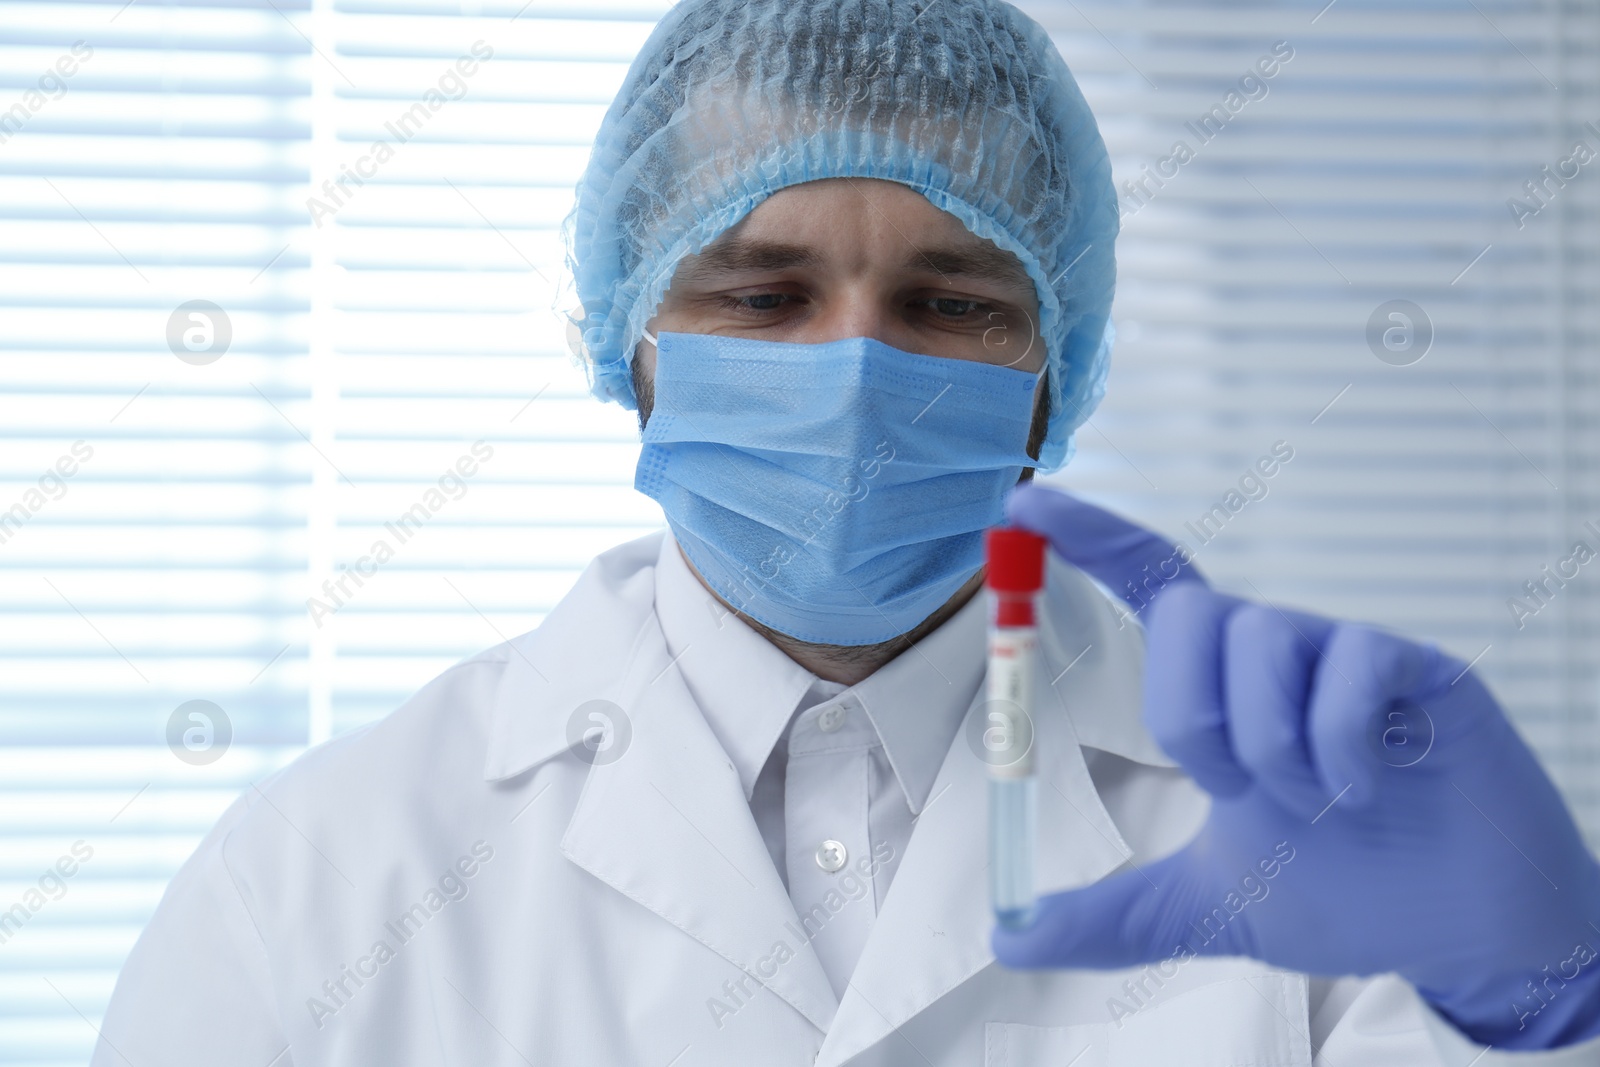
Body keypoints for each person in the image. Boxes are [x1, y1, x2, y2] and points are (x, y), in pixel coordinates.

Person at [95, 0, 1600, 1063]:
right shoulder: (321, 885)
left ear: (1053, 373)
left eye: (954, 303)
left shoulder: (1295, 849)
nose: (857, 369)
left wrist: (1548, 1011)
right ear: (632, 340)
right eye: (761, 298)